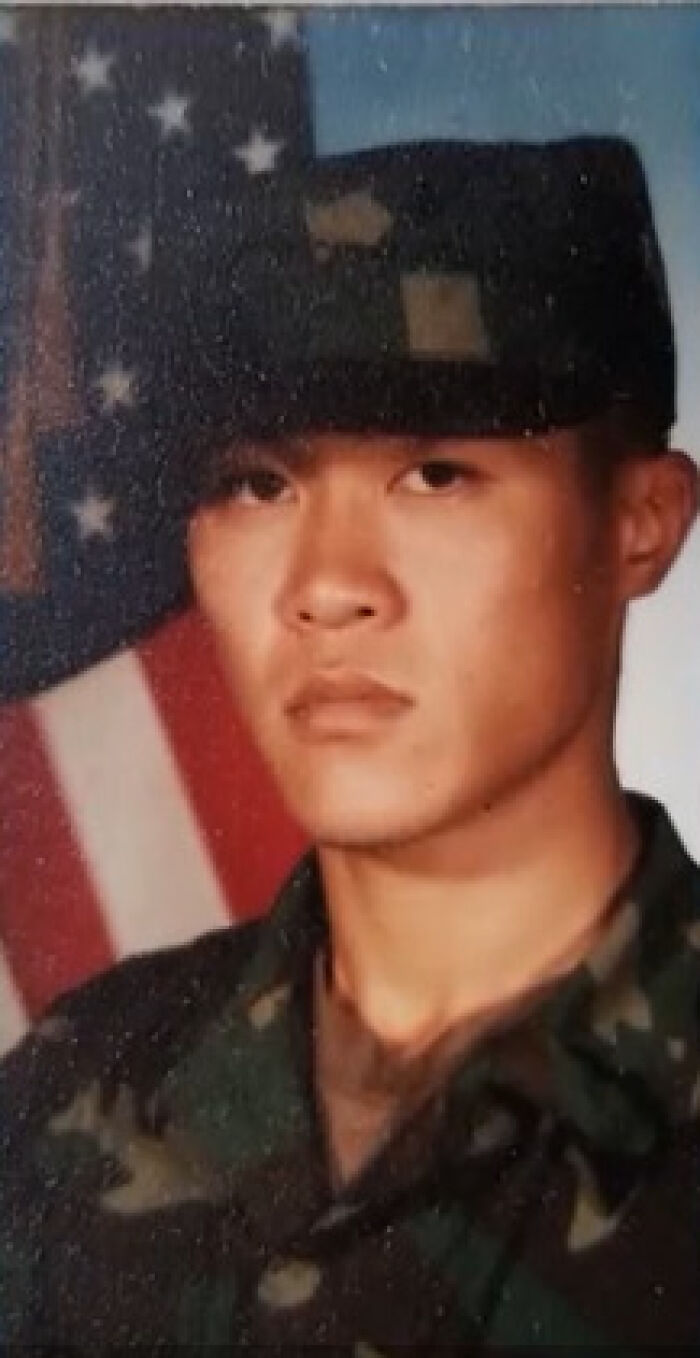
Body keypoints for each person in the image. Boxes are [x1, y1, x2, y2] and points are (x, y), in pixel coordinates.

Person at [1, 137, 699, 1351]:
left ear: (640, 521)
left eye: (435, 474)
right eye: (257, 485)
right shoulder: (63, 1089)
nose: (326, 587)